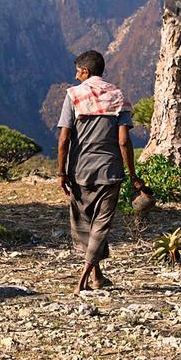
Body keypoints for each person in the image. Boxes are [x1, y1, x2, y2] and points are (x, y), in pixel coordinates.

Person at [57, 50, 143, 294]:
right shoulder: (119, 97)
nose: (75, 76)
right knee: (100, 225)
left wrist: (61, 172)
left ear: (85, 71)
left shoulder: (73, 96)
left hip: (79, 172)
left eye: (77, 71)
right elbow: (124, 141)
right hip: (110, 172)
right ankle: (95, 276)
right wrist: (134, 176)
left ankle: (84, 278)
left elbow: (64, 138)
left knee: (84, 224)